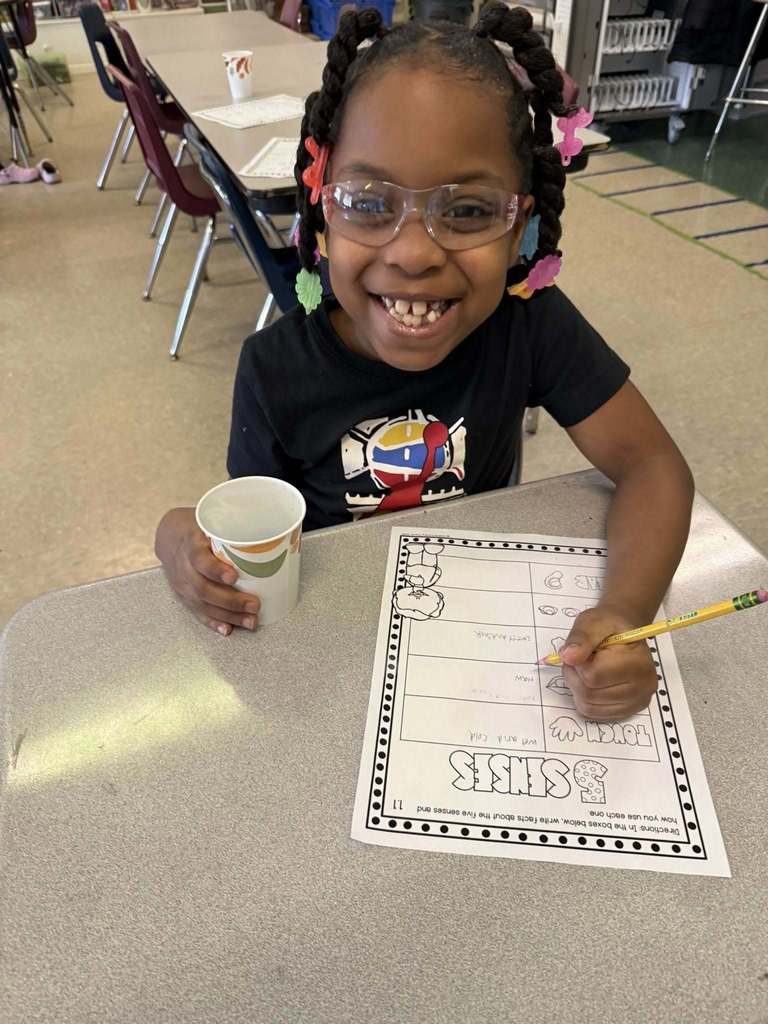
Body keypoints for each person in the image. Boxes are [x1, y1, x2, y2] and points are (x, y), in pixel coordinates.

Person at [155, 4, 694, 722]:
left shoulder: (527, 325)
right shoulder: (274, 370)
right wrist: (176, 538)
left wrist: (624, 613)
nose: (413, 252)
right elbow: (249, 530)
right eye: (369, 203)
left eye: (468, 211)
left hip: (488, 651)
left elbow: (654, 466)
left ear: (521, 225)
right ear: (321, 204)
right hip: (333, 661)